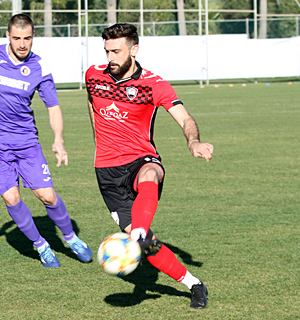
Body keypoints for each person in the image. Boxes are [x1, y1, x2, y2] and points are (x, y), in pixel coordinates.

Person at [86, 23, 214, 308]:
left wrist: (193, 142)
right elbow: (92, 105)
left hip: (140, 158)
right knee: (148, 245)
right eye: (107, 51)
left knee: (150, 174)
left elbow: (184, 118)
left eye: (117, 51)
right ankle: (194, 283)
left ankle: (138, 232)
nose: (111, 58)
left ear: (134, 50)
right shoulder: (93, 76)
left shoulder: (154, 84)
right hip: (106, 172)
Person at [0, 14, 92, 268]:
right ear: (8, 36)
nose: (23, 44)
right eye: (17, 38)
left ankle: (71, 238)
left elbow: (53, 106)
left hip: (25, 142)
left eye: (28, 38)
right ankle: (41, 246)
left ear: (33, 37)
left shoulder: (40, 67)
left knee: (47, 196)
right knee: (11, 198)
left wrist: (58, 139)